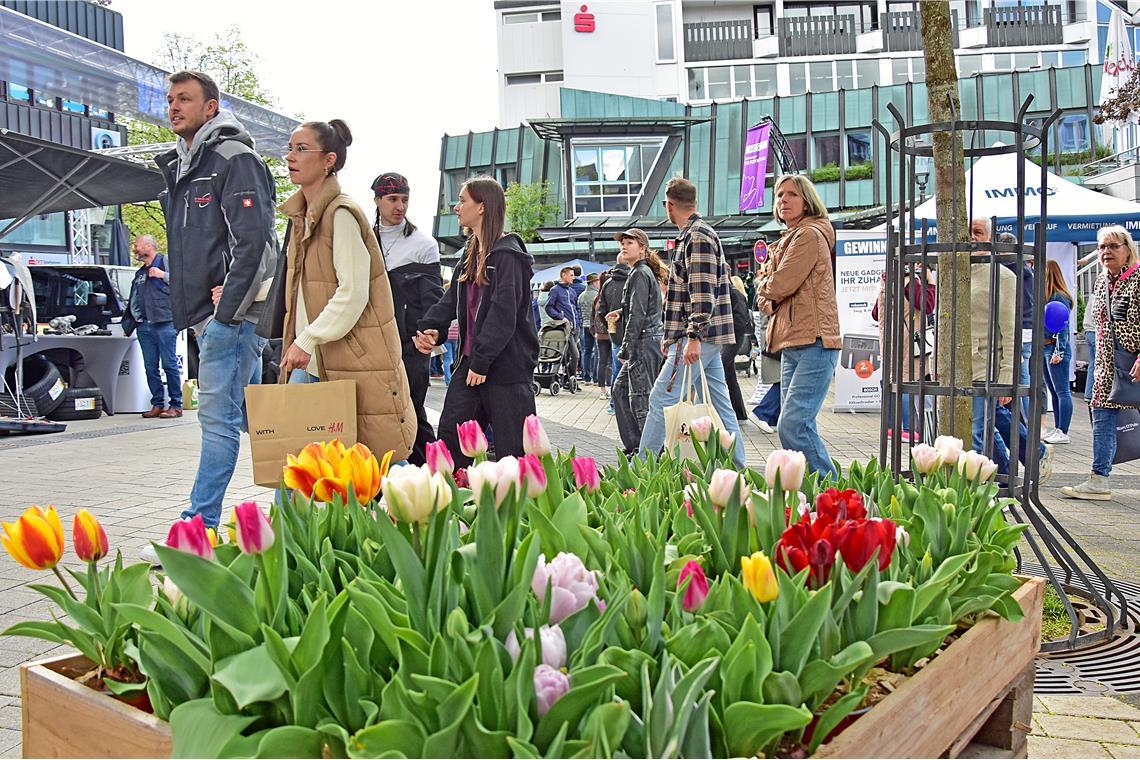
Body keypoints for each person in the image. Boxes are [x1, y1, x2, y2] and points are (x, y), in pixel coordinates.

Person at [149, 70, 275, 558]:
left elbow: (257, 240)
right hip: (207, 315)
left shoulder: (232, 158)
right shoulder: (185, 163)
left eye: (185, 99)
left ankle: (196, 529)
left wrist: (227, 309)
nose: (174, 107)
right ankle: (302, 492)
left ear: (211, 107)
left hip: (231, 318)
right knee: (248, 417)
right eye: (170, 100)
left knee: (217, 419)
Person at [276, 120, 416, 465]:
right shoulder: (303, 216)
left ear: (329, 160)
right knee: (297, 466)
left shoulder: (340, 214)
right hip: (313, 360)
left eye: (301, 149)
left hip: (345, 359)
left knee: (374, 462)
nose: (290, 156)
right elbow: (297, 286)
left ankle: (423, 512)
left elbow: (353, 293)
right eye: (290, 148)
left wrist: (306, 340)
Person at [414, 176, 538, 467]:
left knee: (514, 453)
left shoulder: (509, 256)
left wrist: (482, 361)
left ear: (482, 207)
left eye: (462, 200)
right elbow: (451, 300)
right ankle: (452, 505)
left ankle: (516, 510)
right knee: (450, 439)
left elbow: (503, 313)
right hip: (471, 364)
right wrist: (431, 327)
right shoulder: (471, 252)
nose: (456, 207)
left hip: (505, 367)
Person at [638, 178, 745, 468]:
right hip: (701, 336)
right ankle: (739, 468)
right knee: (722, 407)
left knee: (661, 400)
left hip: (697, 336)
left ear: (669, 205)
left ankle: (640, 472)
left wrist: (691, 336)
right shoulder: (697, 234)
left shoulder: (696, 236)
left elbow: (701, 291)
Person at [755, 175, 841, 479]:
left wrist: (765, 284)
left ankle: (835, 493)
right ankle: (814, 492)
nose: (783, 200)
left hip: (815, 343)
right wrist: (769, 290)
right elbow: (767, 298)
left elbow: (779, 285)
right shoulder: (789, 238)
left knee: (793, 423)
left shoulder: (808, 236)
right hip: (793, 343)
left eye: (792, 194)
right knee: (797, 424)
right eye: (779, 195)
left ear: (807, 201)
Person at [967, 226, 1053, 481]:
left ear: (990, 238)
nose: (972, 236)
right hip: (960, 366)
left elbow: (1010, 327)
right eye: (967, 230)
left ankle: (986, 483)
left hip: (989, 362)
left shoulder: (1004, 276)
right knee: (990, 419)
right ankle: (1009, 467)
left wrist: (1007, 374)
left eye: (978, 231)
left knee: (978, 427)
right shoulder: (952, 272)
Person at [1061, 225, 1140, 500]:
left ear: (1127, 249)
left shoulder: (1138, 278)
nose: (1106, 252)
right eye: (1102, 247)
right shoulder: (1102, 280)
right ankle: (1099, 478)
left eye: (1113, 246)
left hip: (1134, 362)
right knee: (1102, 416)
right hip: (1107, 365)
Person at [371, 171, 444, 465]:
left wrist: (430, 333)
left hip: (411, 345)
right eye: (392, 199)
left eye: (404, 199)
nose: (399, 205)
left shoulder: (423, 244)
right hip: (371, 345)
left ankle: (432, 480)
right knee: (374, 418)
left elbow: (435, 297)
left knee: (411, 413)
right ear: (377, 200)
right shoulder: (362, 239)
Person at [610, 229, 666, 454]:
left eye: (629, 242)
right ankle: (636, 446)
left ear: (642, 248)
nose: (624, 246)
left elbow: (639, 314)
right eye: (622, 243)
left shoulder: (640, 273)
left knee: (640, 400)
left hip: (644, 342)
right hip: (645, 341)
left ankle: (652, 455)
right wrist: (621, 312)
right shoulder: (639, 273)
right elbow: (637, 309)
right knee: (621, 390)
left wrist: (626, 347)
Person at [872, 265, 936, 442]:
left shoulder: (886, 282)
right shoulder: (909, 282)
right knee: (908, 380)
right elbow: (928, 305)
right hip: (909, 343)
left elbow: (875, 314)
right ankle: (909, 429)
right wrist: (930, 281)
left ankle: (891, 427)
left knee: (891, 380)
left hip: (890, 342)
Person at [121, 235, 182, 419]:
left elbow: (183, 284)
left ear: (148, 245)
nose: (135, 248)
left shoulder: (166, 262)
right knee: (150, 367)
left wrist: (163, 275)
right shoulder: (139, 273)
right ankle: (157, 404)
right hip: (145, 326)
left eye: (137, 245)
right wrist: (131, 321)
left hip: (165, 322)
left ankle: (176, 405)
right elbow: (133, 299)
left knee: (170, 364)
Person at [1042, 260, 1074, 445]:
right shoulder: (1050, 296)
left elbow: (1062, 327)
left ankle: (1063, 430)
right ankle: (1059, 428)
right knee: (1055, 392)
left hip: (1054, 347)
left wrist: (1059, 351)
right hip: (1047, 347)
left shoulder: (1058, 297)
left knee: (1062, 391)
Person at [598, 259, 630, 410]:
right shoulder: (634, 279)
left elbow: (601, 311)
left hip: (615, 332)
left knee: (617, 369)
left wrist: (611, 326)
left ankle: (614, 404)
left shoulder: (607, 283)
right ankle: (626, 404)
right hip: (633, 333)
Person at [723, 274, 754, 422]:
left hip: (732, 338)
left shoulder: (733, 292)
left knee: (721, 371)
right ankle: (739, 413)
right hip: (731, 337)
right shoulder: (729, 292)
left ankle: (729, 413)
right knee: (729, 375)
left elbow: (741, 319)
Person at [546, 266, 581, 378]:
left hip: (576, 328)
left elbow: (576, 307)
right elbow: (549, 307)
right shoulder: (555, 290)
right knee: (575, 355)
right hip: (565, 328)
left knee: (569, 355)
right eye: (571, 275)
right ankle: (572, 378)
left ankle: (568, 379)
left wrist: (578, 320)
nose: (573, 277)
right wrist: (560, 317)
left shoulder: (572, 291)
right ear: (563, 275)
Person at [578, 272, 600, 384]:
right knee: (597, 352)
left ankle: (586, 377)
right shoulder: (597, 295)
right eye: (598, 281)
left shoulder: (581, 296)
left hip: (584, 326)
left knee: (586, 351)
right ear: (594, 282)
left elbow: (579, 313)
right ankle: (596, 377)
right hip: (595, 326)